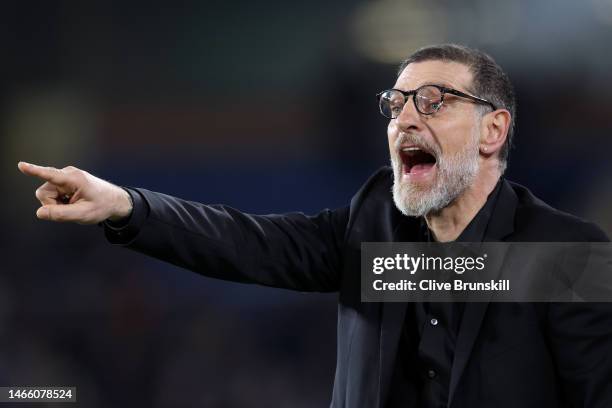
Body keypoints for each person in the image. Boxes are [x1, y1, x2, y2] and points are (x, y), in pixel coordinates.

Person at [18, 44, 612, 407]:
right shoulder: (371, 219)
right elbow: (248, 242)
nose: (405, 117)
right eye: (396, 103)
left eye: (433, 101)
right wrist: (126, 204)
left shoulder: (567, 254)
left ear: (493, 130)